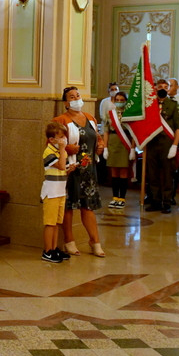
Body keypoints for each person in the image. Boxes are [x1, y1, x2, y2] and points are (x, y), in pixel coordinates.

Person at [53, 87, 105, 257]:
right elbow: (52, 142)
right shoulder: (60, 120)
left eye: (78, 96)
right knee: (69, 206)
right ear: (66, 103)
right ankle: (69, 240)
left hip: (88, 170)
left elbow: (97, 137)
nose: (76, 99)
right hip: (70, 169)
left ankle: (95, 241)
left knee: (87, 206)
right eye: (72, 97)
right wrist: (67, 147)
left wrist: (100, 145)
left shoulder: (90, 118)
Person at [144, 78, 179, 213]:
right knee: (152, 174)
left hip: (167, 142)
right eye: (160, 86)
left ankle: (166, 201)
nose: (162, 89)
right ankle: (155, 200)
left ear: (169, 89)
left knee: (167, 174)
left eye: (165, 87)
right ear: (154, 88)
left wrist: (175, 145)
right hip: (152, 143)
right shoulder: (149, 105)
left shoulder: (173, 105)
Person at [41, 122, 75, 263]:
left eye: (64, 137)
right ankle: (47, 251)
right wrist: (62, 149)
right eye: (60, 138)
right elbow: (60, 165)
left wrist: (70, 168)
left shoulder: (61, 152)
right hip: (51, 192)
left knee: (56, 223)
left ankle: (54, 248)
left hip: (61, 191)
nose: (64, 140)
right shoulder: (48, 152)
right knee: (50, 223)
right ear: (51, 140)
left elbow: (63, 169)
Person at [103, 90, 136, 209]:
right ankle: (115, 197)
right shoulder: (109, 114)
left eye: (122, 100)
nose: (119, 102)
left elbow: (133, 133)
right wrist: (105, 147)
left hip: (125, 142)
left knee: (123, 171)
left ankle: (122, 198)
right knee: (114, 172)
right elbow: (106, 131)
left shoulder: (130, 114)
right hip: (112, 141)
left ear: (126, 101)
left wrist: (132, 148)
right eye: (117, 100)